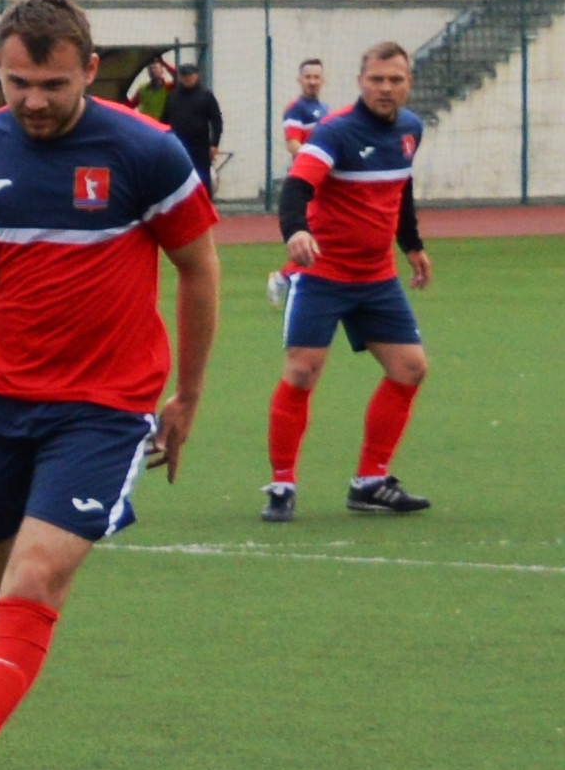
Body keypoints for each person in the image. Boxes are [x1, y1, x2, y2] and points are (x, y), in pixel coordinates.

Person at [0, 0, 219, 770]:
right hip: (2, 401)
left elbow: (198, 269)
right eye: (15, 82)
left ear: (89, 65)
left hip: (105, 410)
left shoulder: (145, 152)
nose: (32, 100)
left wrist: (186, 395)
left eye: (49, 83)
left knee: (31, 580)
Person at [266, 40, 433, 524]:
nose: (385, 88)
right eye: (377, 79)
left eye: (395, 80)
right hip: (324, 274)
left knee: (409, 368)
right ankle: (281, 483)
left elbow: (400, 190)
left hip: (377, 277)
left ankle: (370, 482)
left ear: (408, 84)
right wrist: (296, 230)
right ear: (361, 81)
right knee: (302, 372)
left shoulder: (410, 130)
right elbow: (296, 186)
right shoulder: (334, 131)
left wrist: (413, 246)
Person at [266, 57, 330, 301]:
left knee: (323, 237)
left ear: (323, 80)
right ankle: (284, 278)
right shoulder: (297, 108)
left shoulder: (325, 109)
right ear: (299, 80)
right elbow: (293, 143)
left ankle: (289, 279)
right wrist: (316, 163)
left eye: (316, 77)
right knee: (316, 236)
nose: (312, 82)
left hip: (323, 183)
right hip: (309, 182)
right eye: (308, 77)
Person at [163, 57, 227, 194]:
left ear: (196, 76)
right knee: (178, 179)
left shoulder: (206, 96)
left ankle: (204, 212)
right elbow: (163, 121)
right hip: (178, 147)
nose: (187, 78)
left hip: (200, 147)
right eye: (184, 75)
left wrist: (214, 144)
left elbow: (216, 121)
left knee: (201, 180)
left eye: (190, 75)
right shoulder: (172, 96)